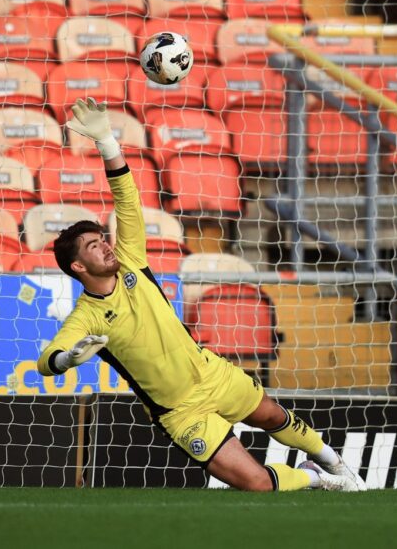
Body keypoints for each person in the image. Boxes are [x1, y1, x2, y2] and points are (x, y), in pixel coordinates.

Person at [36, 98, 366, 492]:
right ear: (78, 267)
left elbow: (127, 201)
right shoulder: (86, 316)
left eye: (102, 240)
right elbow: (45, 362)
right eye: (93, 247)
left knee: (272, 416)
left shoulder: (131, 262)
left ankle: (335, 462)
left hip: (211, 373)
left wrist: (108, 142)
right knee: (258, 484)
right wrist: (68, 358)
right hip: (179, 411)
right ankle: (317, 479)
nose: (106, 247)